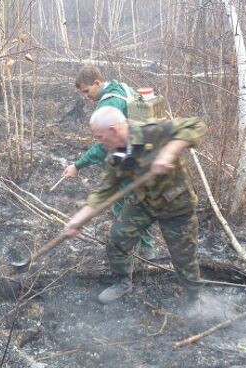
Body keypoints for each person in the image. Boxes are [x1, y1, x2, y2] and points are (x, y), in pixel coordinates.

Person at [63, 106, 206, 304]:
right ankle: (122, 282)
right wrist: (78, 219)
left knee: (184, 256)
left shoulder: (151, 131)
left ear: (113, 130)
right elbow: (103, 192)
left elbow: (195, 125)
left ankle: (194, 297)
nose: (99, 141)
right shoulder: (115, 156)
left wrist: (168, 151)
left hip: (176, 205)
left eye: (100, 136)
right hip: (143, 202)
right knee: (117, 238)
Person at [64, 65, 157, 260]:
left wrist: (77, 165)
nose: (86, 96)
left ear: (97, 83)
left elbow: (105, 146)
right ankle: (145, 252)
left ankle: (139, 254)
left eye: (87, 91)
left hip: (130, 161)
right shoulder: (121, 88)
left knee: (127, 205)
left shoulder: (109, 105)